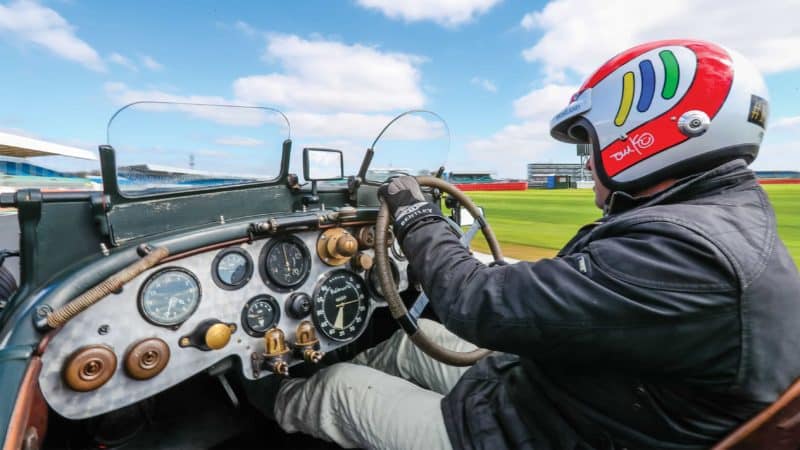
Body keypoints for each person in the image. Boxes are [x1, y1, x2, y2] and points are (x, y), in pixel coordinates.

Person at [265, 39, 800, 449]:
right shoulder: (721, 218)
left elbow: (476, 301)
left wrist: (414, 211)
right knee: (412, 339)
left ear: (647, 133)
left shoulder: (681, 251)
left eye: (590, 142)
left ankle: (262, 411)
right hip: (568, 397)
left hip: (532, 430)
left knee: (334, 385)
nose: (587, 161)